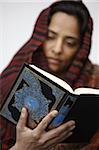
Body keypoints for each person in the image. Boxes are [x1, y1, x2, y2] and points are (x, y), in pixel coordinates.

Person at [0, 0, 99, 150]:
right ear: (39, 37)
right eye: (51, 36)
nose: (57, 49)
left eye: (70, 43)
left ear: (81, 47)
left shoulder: (95, 80)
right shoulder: (11, 80)